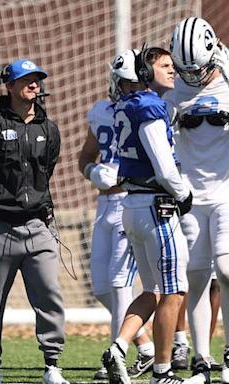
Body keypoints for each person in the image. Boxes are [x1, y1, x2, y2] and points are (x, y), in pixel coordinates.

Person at [0, 58, 68, 384]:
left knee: (49, 294)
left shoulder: (49, 129)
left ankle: (52, 365)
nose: (34, 84)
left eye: (37, 79)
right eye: (26, 79)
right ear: (9, 85)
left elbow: (46, 170)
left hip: (38, 227)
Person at [101, 46, 196, 384]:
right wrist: (184, 194)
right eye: (164, 65)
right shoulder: (149, 106)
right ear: (144, 72)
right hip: (156, 207)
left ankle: (117, 347)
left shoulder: (126, 105)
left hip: (133, 206)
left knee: (152, 291)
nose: (172, 70)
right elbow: (164, 166)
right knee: (174, 291)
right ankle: (162, 371)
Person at [78, 49, 155, 380]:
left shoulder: (149, 113)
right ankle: (145, 346)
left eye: (137, 84)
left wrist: (125, 176)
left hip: (132, 202)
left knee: (119, 285)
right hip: (103, 205)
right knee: (100, 287)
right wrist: (93, 173)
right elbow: (84, 157)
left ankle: (114, 359)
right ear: (115, 82)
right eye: (127, 84)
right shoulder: (102, 112)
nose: (132, 90)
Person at [166, 16, 229, 381]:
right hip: (190, 198)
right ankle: (202, 359)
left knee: (226, 268)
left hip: (225, 193)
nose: (191, 76)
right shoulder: (175, 94)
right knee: (195, 277)